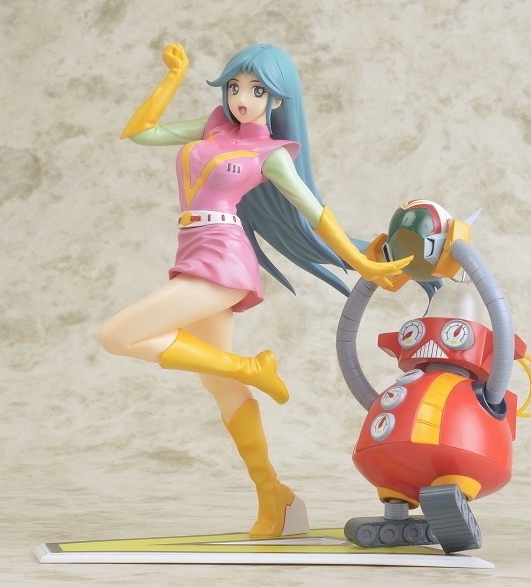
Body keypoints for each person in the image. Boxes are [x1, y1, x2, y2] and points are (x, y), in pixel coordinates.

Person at [99, 43, 411, 538]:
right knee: (219, 384)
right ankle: (274, 494)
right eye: (235, 87)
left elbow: (316, 213)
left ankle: (251, 368)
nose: (242, 99)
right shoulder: (213, 126)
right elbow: (141, 132)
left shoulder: (272, 155)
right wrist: (173, 77)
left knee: (116, 336)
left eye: (257, 90)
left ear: (278, 99)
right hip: (191, 251)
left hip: (223, 258)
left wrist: (361, 264)